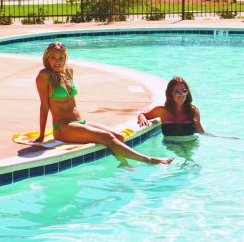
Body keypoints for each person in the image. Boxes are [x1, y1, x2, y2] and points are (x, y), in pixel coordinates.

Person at [36, 41, 172, 165]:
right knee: (106, 137)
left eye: (60, 58)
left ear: (65, 58)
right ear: (47, 58)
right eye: (53, 58)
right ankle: (148, 160)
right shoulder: (44, 76)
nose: (56, 62)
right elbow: (44, 107)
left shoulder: (68, 71)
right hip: (63, 127)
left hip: (79, 122)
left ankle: (122, 162)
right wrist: (41, 135)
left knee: (118, 136)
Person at [137, 76, 205, 143]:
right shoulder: (163, 111)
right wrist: (142, 119)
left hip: (190, 144)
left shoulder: (193, 111)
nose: (181, 94)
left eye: (184, 91)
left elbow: (201, 132)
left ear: (187, 92)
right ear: (170, 94)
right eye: (177, 92)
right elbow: (142, 115)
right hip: (171, 146)